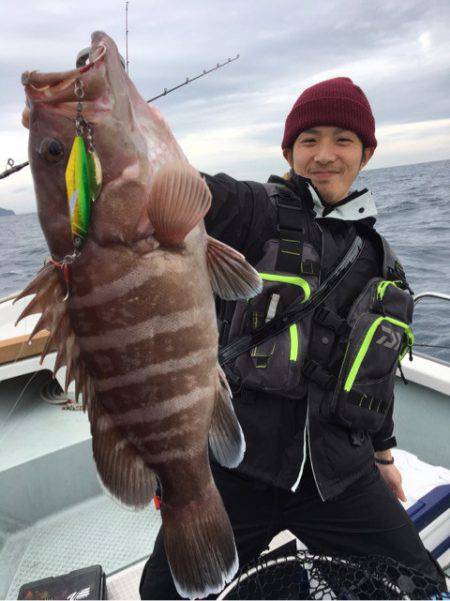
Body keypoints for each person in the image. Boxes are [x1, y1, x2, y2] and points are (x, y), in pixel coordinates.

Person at [139, 77, 446, 599]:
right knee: (164, 593)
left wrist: (384, 455)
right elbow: (170, 190)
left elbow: (376, 371)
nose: (325, 154)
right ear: (288, 150)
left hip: (338, 473)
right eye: (309, 140)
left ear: (366, 154)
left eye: (343, 140)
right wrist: (105, 135)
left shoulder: (381, 258)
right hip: (238, 467)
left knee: (421, 587)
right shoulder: (253, 210)